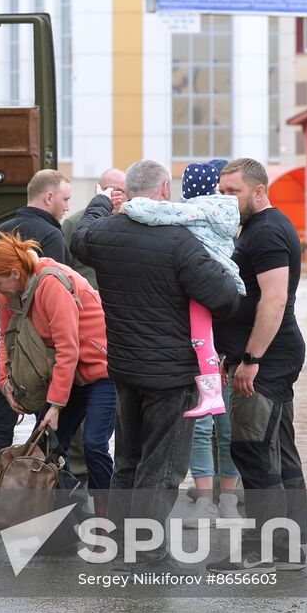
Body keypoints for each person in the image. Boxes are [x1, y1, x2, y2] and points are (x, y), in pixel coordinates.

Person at [70, 160, 240, 565]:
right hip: (171, 374)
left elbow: (79, 238)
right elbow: (224, 298)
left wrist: (99, 204)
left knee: (128, 458)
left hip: (124, 368)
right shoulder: (179, 240)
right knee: (162, 466)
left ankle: (123, 544)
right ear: (166, 189)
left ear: (126, 194)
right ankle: (147, 550)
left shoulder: (104, 233)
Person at [121, 162, 244, 525]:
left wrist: (122, 206)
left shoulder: (188, 216)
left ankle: (208, 500)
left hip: (206, 314)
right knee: (223, 426)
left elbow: (153, 212)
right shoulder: (224, 215)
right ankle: (226, 501)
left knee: (206, 426)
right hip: (225, 319)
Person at [209, 158, 307, 573]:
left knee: (250, 450)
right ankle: (289, 548)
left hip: (267, 356)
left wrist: (250, 359)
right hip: (266, 354)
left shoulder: (267, 230)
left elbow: (274, 299)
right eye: (222, 191)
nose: (226, 199)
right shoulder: (256, 228)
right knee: (278, 449)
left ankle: (262, 549)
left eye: (233, 191)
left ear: (258, 190)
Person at [0, 233, 116, 498]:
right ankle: (43, 512)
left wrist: (55, 406)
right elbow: (6, 337)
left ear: (16, 274)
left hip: (101, 371)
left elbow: (68, 348)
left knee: (94, 446)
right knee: (43, 446)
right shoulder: (6, 293)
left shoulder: (51, 284)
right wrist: (5, 382)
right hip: (67, 376)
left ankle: (107, 513)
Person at [0, 170, 72, 485]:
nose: (66, 208)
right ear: (48, 197)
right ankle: (47, 498)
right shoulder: (51, 238)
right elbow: (64, 297)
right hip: (42, 349)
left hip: (3, 342)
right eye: (65, 200)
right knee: (48, 423)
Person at [62, 168, 127, 290]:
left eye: (121, 191)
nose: (114, 194)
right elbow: (61, 268)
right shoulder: (73, 223)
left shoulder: (132, 226)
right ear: (97, 190)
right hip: (85, 301)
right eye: (108, 189)